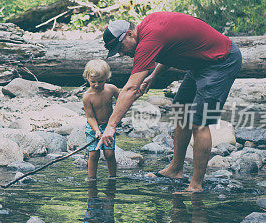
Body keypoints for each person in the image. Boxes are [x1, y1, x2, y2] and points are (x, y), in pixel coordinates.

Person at [98, 12, 242, 192]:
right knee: (181, 109)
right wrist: (154, 75)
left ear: (129, 34)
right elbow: (173, 47)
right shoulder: (149, 27)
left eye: (120, 47)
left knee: (199, 122)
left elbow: (130, 89)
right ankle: (175, 169)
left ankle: (196, 186)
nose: (121, 53)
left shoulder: (148, 40)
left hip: (222, 61)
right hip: (200, 63)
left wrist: (111, 125)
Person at [82, 59, 120, 179]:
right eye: (93, 82)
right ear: (87, 77)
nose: (97, 85)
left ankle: (112, 177)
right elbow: (90, 116)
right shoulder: (87, 97)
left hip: (109, 126)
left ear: (107, 77)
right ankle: (92, 179)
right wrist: (97, 130)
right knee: (93, 155)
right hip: (93, 128)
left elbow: (122, 102)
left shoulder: (111, 89)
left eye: (101, 81)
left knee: (109, 154)